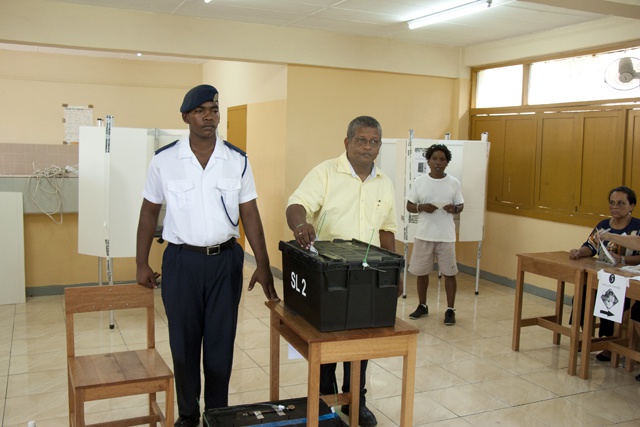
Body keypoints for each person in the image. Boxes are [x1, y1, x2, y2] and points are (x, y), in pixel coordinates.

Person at [136, 84, 279, 427]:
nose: (209, 116)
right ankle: (188, 414)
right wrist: (141, 262)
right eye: (200, 110)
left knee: (220, 345)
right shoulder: (165, 160)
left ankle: (217, 413)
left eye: (214, 109)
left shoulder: (237, 160)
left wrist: (262, 263)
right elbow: (148, 212)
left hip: (225, 263)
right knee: (183, 346)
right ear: (186, 116)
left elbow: (251, 214)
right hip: (181, 263)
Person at [286, 115, 400, 427]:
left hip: (369, 277)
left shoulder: (385, 183)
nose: (368, 147)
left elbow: (387, 231)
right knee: (327, 344)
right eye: (361, 140)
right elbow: (296, 204)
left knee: (361, 344)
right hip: (329, 274)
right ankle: (325, 402)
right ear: (347, 142)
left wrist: (395, 273)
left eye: (374, 141)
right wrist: (300, 224)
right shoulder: (325, 172)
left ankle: (356, 402)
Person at [568, 186, 640, 363]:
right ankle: (585, 337)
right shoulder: (603, 226)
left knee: (609, 296)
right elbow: (591, 246)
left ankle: (607, 342)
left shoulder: (637, 228)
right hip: (603, 275)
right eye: (612, 203)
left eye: (621, 203)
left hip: (627, 280)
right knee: (584, 292)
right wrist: (580, 252)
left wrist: (621, 259)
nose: (615, 207)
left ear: (631, 206)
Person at [406, 143, 464, 325]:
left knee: (449, 273)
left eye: (442, 159)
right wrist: (421, 207)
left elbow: (461, 205)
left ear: (447, 162)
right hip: (424, 234)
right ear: (428, 161)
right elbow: (409, 206)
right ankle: (422, 305)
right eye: (434, 159)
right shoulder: (419, 182)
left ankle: (450, 309)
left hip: (445, 236)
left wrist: (454, 208)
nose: (438, 162)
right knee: (421, 272)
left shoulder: (454, 183)